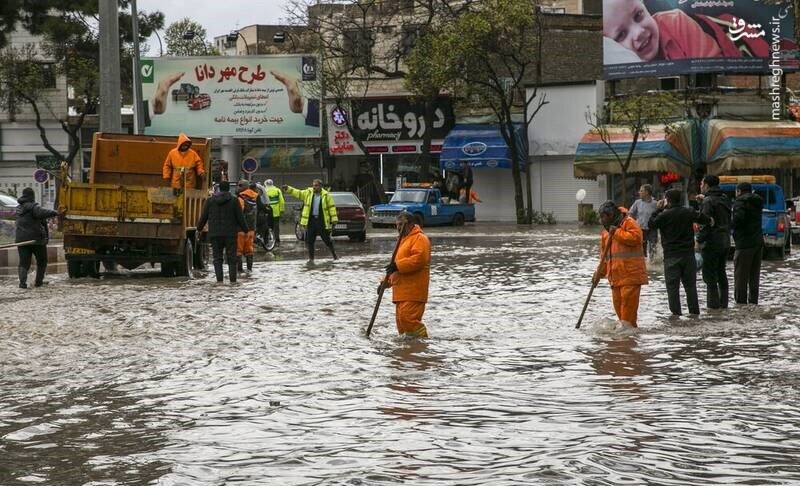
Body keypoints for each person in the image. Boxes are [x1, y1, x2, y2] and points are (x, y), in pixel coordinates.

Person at [602, 0, 771, 64]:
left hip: (737, 42)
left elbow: (711, 68)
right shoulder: (615, 60)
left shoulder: (676, 22)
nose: (638, 32)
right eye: (621, 35)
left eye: (638, 15)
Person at [649, 189, 713, 316]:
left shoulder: (664, 215)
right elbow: (705, 219)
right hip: (688, 256)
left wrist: (658, 210)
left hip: (671, 257)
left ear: (667, 200)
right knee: (691, 288)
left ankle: (676, 318)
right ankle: (694, 316)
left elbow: (651, 224)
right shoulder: (688, 212)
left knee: (673, 289)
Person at [593, 201, 648, 327]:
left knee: (627, 320)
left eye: (604, 217)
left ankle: (628, 343)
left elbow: (636, 238)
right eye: (601, 217)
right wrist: (598, 274)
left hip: (630, 277)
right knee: (621, 318)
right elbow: (604, 258)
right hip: (616, 279)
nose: (602, 221)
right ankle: (624, 343)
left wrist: (616, 232)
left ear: (611, 215)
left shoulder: (628, 223)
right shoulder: (606, 232)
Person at [381, 211, 431, 338]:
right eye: (396, 225)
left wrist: (397, 266)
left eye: (401, 224)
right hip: (401, 292)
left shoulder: (420, 238)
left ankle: (422, 344)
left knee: (409, 321)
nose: (398, 228)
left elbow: (419, 259)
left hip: (413, 291)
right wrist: (384, 283)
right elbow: (395, 268)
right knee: (401, 323)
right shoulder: (402, 241)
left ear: (410, 224)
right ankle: (407, 351)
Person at [196, 181, 248, 283]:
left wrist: (199, 229)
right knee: (232, 258)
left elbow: (203, 217)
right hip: (230, 234)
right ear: (228, 189)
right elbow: (240, 218)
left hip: (215, 234)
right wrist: (246, 230)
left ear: (219, 188)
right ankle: (233, 281)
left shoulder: (210, 201)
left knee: (217, 258)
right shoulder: (234, 201)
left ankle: (219, 281)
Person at [696, 175, 731, 309]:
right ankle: (724, 305)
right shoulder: (724, 198)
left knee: (710, 275)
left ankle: (713, 308)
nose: (700, 186)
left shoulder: (708, 201)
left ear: (707, 185)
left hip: (711, 242)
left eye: (701, 183)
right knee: (721, 272)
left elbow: (705, 223)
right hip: (725, 241)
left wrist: (698, 240)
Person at [14, 187, 60, 288]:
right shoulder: (34, 207)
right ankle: (38, 282)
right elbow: (43, 212)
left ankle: (22, 283)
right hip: (36, 240)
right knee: (42, 261)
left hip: (21, 240)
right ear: (32, 196)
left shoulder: (18, 208)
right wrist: (56, 212)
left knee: (24, 262)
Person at [283, 179, 339, 262]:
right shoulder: (308, 193)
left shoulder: (326, 195)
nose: (314, 187)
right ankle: (311, 259)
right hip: (311, 221)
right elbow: (298, 193)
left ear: (320, 186)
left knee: (327, 240)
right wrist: (288, 188)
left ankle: (335, 256)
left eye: (316, 185)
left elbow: (332, 208)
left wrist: (334, 220)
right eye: (313, 185)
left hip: (321, 221)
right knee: (310, 241)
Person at [730, 182, 763, 305]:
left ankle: (741, 305)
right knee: (754, 277)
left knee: (740, 278)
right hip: (757, 243)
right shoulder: (758, 201)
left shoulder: (740, 202)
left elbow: (738, 220)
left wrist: (729, 224)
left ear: (739, 191)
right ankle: (753, 303)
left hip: (744, 244)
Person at [236, 180, 261, 273]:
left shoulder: (240, 198)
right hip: (251, 229)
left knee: (238, 251)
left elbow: (239, 213)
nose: (237, 187)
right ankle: (250, 270)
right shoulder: (255, 197)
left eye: (239, 185)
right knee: (249, 250)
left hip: (240, 229)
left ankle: (239, 271)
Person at [628, 184, 658, 258]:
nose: (639, 192)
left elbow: (660, 216)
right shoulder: (637, 202)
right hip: (640, 229)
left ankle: (652, 263)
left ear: (647, 192)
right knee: (641, 248)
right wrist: (633, 225)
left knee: (653, 247)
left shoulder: (655, 204)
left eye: (641, 191)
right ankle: (643, 264)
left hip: (652, 229)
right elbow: (630, 214)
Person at [264, 179, 285, 245]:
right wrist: (281, 210)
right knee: (276, 226)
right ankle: (277, 240)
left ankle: (266, 240)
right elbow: (282, 201)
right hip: (276, 212)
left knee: (267, 226)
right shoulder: (277, 190)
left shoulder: (264, 190)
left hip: (267, 212)